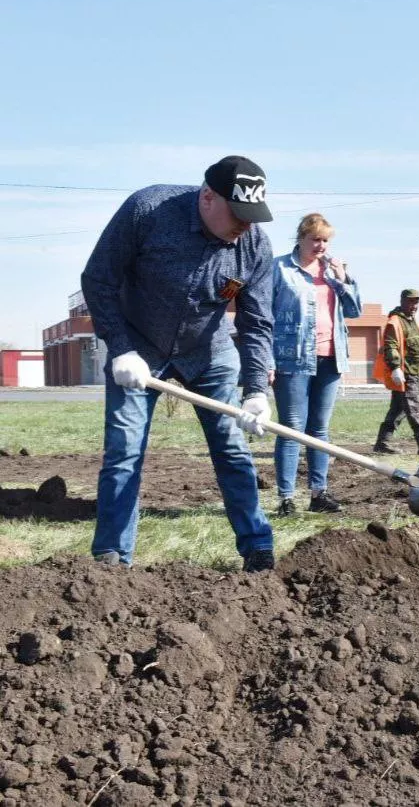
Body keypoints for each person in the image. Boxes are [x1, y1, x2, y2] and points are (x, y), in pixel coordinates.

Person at [80, 155, 278, 573]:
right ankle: (111, 560)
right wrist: (119, 347)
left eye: (253, 214)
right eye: (238, 213)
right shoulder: (148, 211)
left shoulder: (255, 245)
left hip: (209, 351)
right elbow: (98, 278)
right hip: (139, 348)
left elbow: (257, 322)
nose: (246, 224)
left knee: (232, 449)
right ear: (207, 197)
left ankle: (258, 549)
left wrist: (257, 389)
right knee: (125, 452)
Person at [270, 213, 362, 516]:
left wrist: (343, 280)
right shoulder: (279, 269)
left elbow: (354, 311)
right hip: (292, 359)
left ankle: (318, 493)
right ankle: (286, 498)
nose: (321, 245)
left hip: (331, 358)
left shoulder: (334, 272)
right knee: (292, 428)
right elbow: (262, 316)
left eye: (325, 240)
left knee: (319, 429)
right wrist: (266, 361)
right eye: (316, 239)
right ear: (301, 238)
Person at [372, 288, 419, 456]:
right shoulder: (395, 322)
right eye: (411, 301)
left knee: (398, 409)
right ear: (402, 301)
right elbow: (391, 347)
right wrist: (395, 368)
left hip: (414, 373)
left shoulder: (412, 321)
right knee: (414, 408)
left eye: (417, 302)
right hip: (405, 374)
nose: (415, 305)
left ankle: (382, 443)